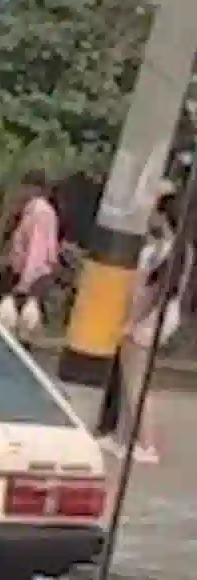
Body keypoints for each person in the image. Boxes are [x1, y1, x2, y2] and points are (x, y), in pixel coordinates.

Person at [98, 180, 188, 463]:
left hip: (150, 321)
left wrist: (132, 322)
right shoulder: (173, 247)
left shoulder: (169, 249)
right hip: (154, 319)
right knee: (132, 380)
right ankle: (125, 439)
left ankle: (146, 444)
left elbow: (155, 292)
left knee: (137, 382)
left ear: (162, 215)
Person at [0, 170, 61, 349]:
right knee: (20, 322)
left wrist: (24, 284)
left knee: (21, 320)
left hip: (34, 275)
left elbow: (37, 250)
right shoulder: (31, 210)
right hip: (30, 273)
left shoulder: (39, 212)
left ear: (32, 188)